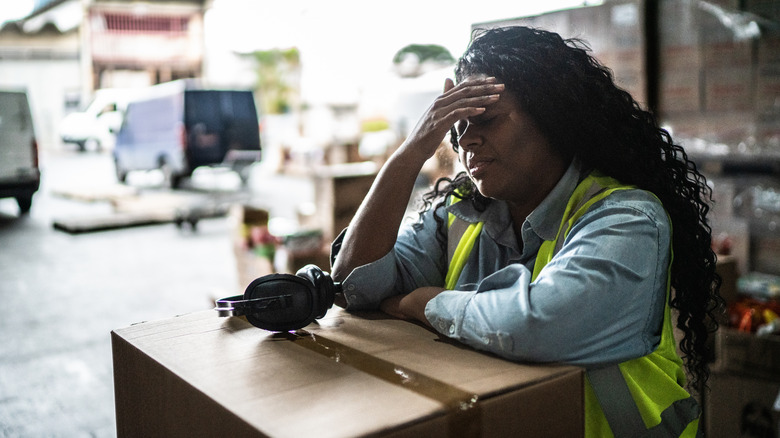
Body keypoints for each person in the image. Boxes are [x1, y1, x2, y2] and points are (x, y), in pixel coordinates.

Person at [330, 26, 722, 437]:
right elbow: (355, 284)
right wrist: (411, 152)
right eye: (458, 128)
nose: (468, 142)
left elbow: (536, 326)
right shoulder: (460, 215)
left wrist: (423, 303)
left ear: (554, 117)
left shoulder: (627, 217)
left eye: (488, 120)